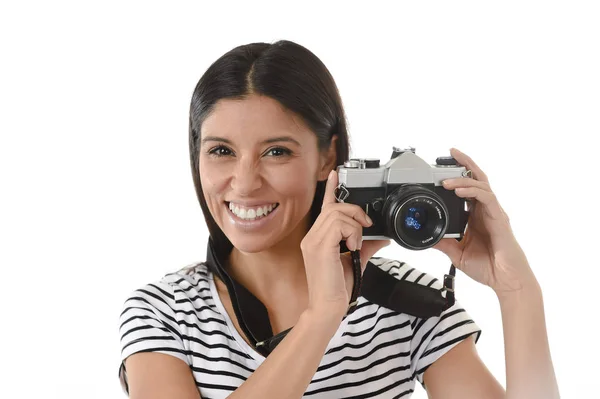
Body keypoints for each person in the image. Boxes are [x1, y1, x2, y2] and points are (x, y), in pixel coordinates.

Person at [117, 40, 560, 398]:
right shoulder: (163, 312)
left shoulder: (411, 306)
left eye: (276, 152)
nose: (245, 183)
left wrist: (519, 293)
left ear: (328, 156)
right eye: (221, 151)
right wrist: (323, 315)